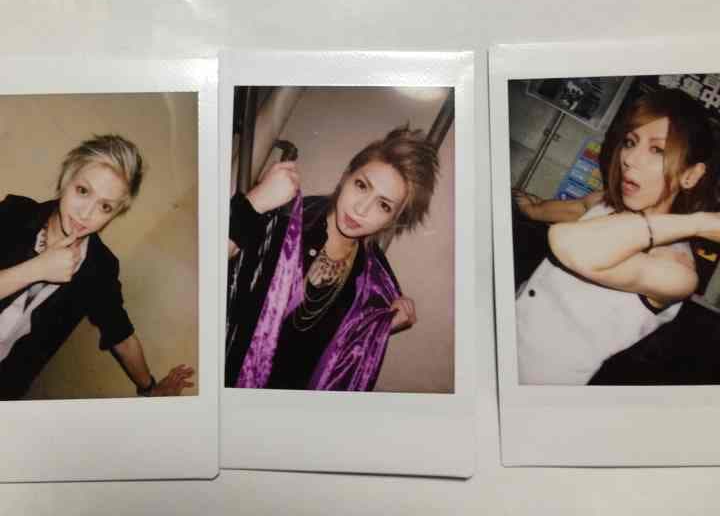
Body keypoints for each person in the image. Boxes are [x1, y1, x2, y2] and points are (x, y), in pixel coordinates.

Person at [516, 89, 720, 385]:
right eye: (630, 142)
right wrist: (529, 207)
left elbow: (568, 244)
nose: (629, 159)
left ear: (690, 175)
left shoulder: (677, 270)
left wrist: (698, 223)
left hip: (534, 383)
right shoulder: (604, 202)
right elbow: (566, 209)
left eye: (657, 150)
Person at [225, 126, 439, 391]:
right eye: (362, 185)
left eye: (383, 205)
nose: (361, 209)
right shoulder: (285, 216)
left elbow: (335, 360)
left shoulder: (372, 283)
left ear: (393, 221)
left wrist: (381, 327)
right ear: (346, 176)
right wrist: (255, 202)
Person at [0, 134, 195, 399]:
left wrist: (149, 389)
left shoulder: (99, 268)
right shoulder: (14, 214)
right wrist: (36, 269)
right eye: (83, 191)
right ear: (66, 180)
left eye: (105, 206)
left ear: (115, 213)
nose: (86, 214)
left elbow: (122, 337)